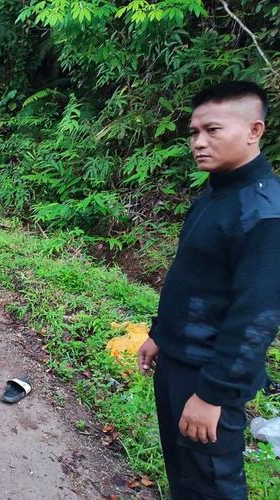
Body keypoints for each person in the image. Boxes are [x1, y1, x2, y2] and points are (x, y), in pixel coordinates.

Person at [137, 81, 280, 499]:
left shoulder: (264, 212)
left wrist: (212, 395)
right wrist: (160, 333)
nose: (198, 142)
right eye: (194, 132)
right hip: (179, 362)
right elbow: (192, 278)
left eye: (213, 130)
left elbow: (257, 316)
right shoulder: (217, 193)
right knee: (184, 475)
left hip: (207, 375)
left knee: (213, 484)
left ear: (254, 130)